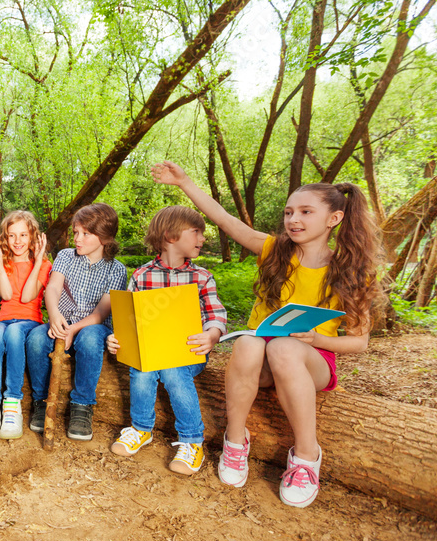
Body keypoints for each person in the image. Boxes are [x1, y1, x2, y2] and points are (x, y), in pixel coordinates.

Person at [152, 160, 381, 507]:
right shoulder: (274, 251)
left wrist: (316, 340)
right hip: (258, 360)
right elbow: (225, 221)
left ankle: (306, 457)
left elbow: (359, 342)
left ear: (334, 218)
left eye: (305, 211)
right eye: (289, 212)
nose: (293, 220)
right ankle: (234, 440)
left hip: (311, 361)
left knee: (285, 349)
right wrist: (184, 182)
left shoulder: (351, 269)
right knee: (247, 342)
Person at [106, 206, 227, 474]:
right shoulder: (141, 275)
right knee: (141, 370)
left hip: (188, 351)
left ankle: (192, 441)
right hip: (151, 351)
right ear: (170, 235)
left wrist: (212, 335)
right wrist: (117, 338)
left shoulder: (202, 277)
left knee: (173, 372)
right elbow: (128, 320)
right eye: (196, 232)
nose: (202, 238)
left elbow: (216, 315)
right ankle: (140, 428)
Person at [26, 203, 127, 441]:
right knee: (36, 339)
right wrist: (54, 317)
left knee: (91, 340)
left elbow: (102, 311)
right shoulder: (65, 256)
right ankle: (41, 401)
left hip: (91, 325)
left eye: (85, 234)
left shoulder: (116, 269)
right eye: (75, 233)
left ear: (104, 237)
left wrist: (74, 330)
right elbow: (53, 288)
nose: (77, 239)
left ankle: (82, 405)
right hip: (61, 320)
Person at [0, 211, 51, 447]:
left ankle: (12, 404)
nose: (17, 241)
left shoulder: (45, 263)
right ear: (4, 239)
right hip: (4, 318)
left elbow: (29, 296)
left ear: (32, 237)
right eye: (11, 236)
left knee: (14, 332)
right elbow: (7, 295)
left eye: (23, 235)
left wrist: (38, 260)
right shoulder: (5, 263)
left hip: (29, 321)